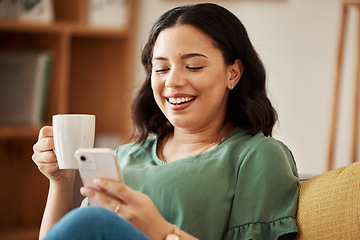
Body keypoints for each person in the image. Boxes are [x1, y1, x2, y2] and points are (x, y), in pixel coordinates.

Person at [32, 3, 299, 240]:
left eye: (193, 66)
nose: (172, 81)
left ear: (233, 73)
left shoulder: (257, 156)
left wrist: (160, 230)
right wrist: (61, 182)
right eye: (161, 69)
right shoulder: (125, 156)